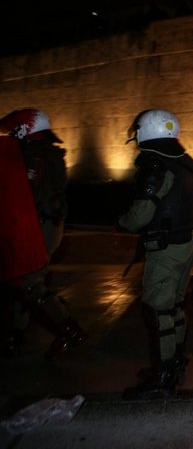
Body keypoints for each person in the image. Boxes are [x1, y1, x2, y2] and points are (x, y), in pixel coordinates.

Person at [116, 109, 193, 400]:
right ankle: (175, 361)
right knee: (173, 306)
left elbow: (141, 213)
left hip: (166, 248)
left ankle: (163, 376)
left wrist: (123, 223)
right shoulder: (187, 165)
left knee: (157, 310)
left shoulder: (155, 165)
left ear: (146, 132)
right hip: (187, 243)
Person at [0, 109, 87, 358]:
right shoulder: (41, 153)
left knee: (28, 283)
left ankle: (69, 330)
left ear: (24, 130)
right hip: (38, 224)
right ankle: (14, 334)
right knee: (19, 279)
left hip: (37, 226)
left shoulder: (35, 157)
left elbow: (27, 193)